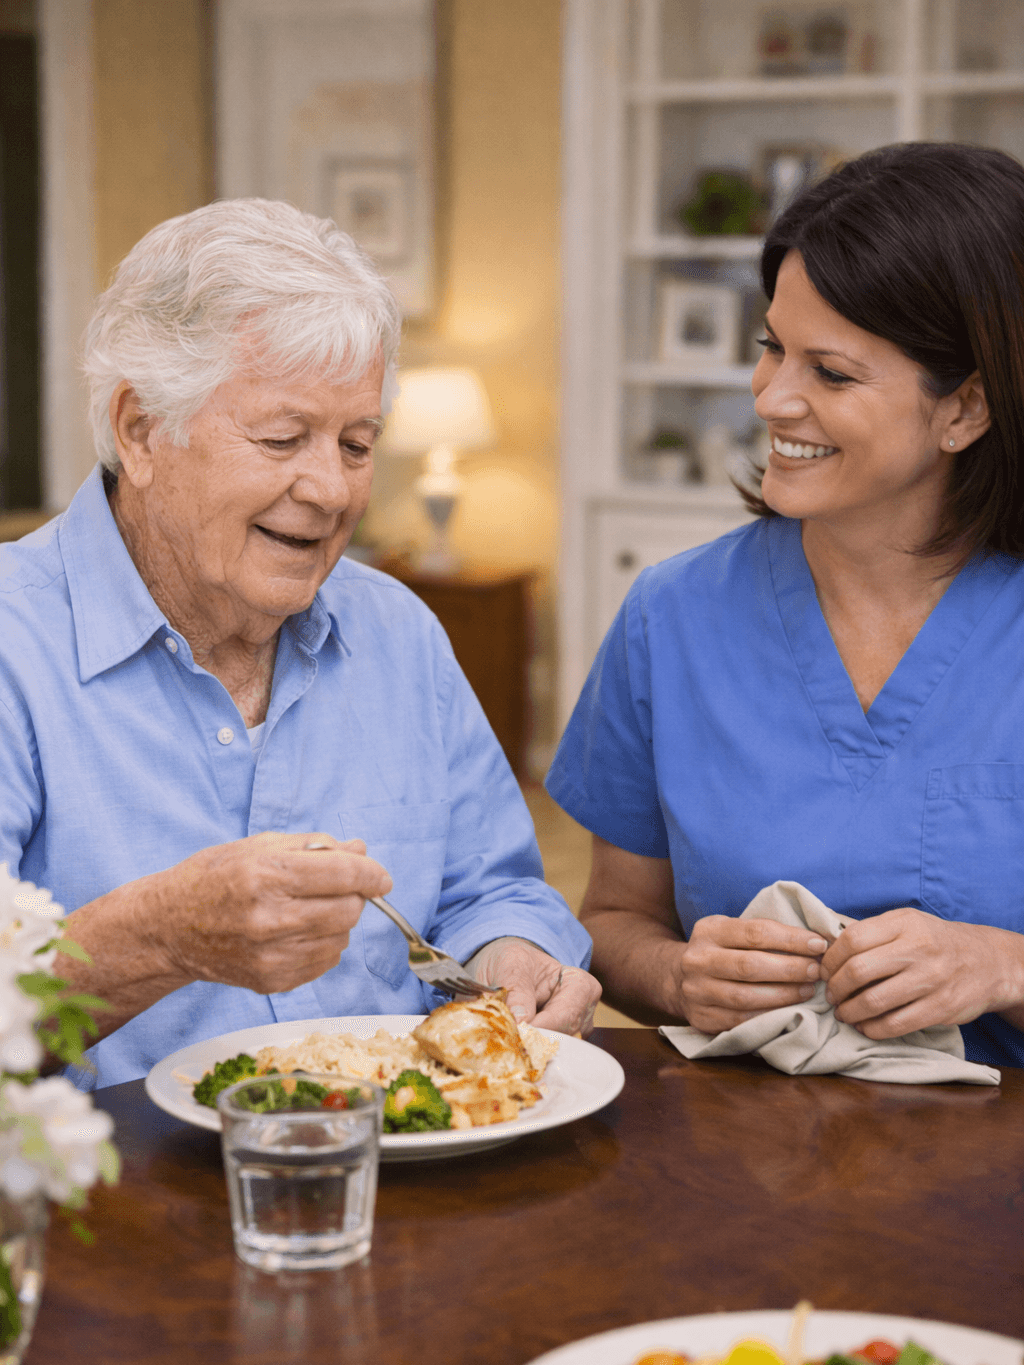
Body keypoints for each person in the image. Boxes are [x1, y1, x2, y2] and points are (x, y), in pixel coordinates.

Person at [0, 198, 599, 1088]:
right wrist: (159, 936)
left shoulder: (400, 632)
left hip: (395, 1181)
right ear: (140, 429)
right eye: (283, 438)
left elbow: (492, 890)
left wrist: (516, 957)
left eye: (358, 444)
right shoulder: (16, 641)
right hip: (117, 1207)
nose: (329, 490)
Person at [546, 141, 1024, 1069]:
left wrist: (1000, 964)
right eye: (772, 349)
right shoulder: (671, 616)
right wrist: (679, 975)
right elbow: (611, 921)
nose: (771, 397)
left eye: (831, 374)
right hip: (748, 1173)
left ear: (964, 408)